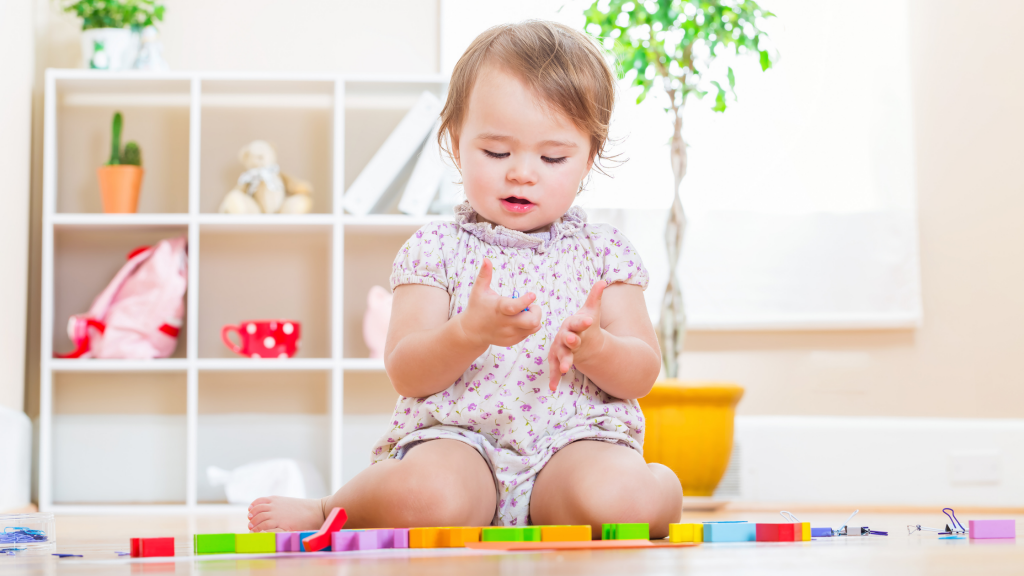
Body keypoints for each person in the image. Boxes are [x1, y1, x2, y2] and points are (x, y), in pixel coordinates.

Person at [248, 20, 682, 539]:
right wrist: (468, 333)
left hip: (576, 443)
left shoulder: (604, 251)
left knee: (619, 503)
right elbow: (407, 371)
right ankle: (329, 509)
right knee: (425, 499)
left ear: (588, 157)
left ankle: (654, 485)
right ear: (456, 143)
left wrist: (596, 348)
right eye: (496, 152)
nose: (522, 172)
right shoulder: (437, 249)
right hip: (459, 444)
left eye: (553, 157)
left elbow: (642, 371)